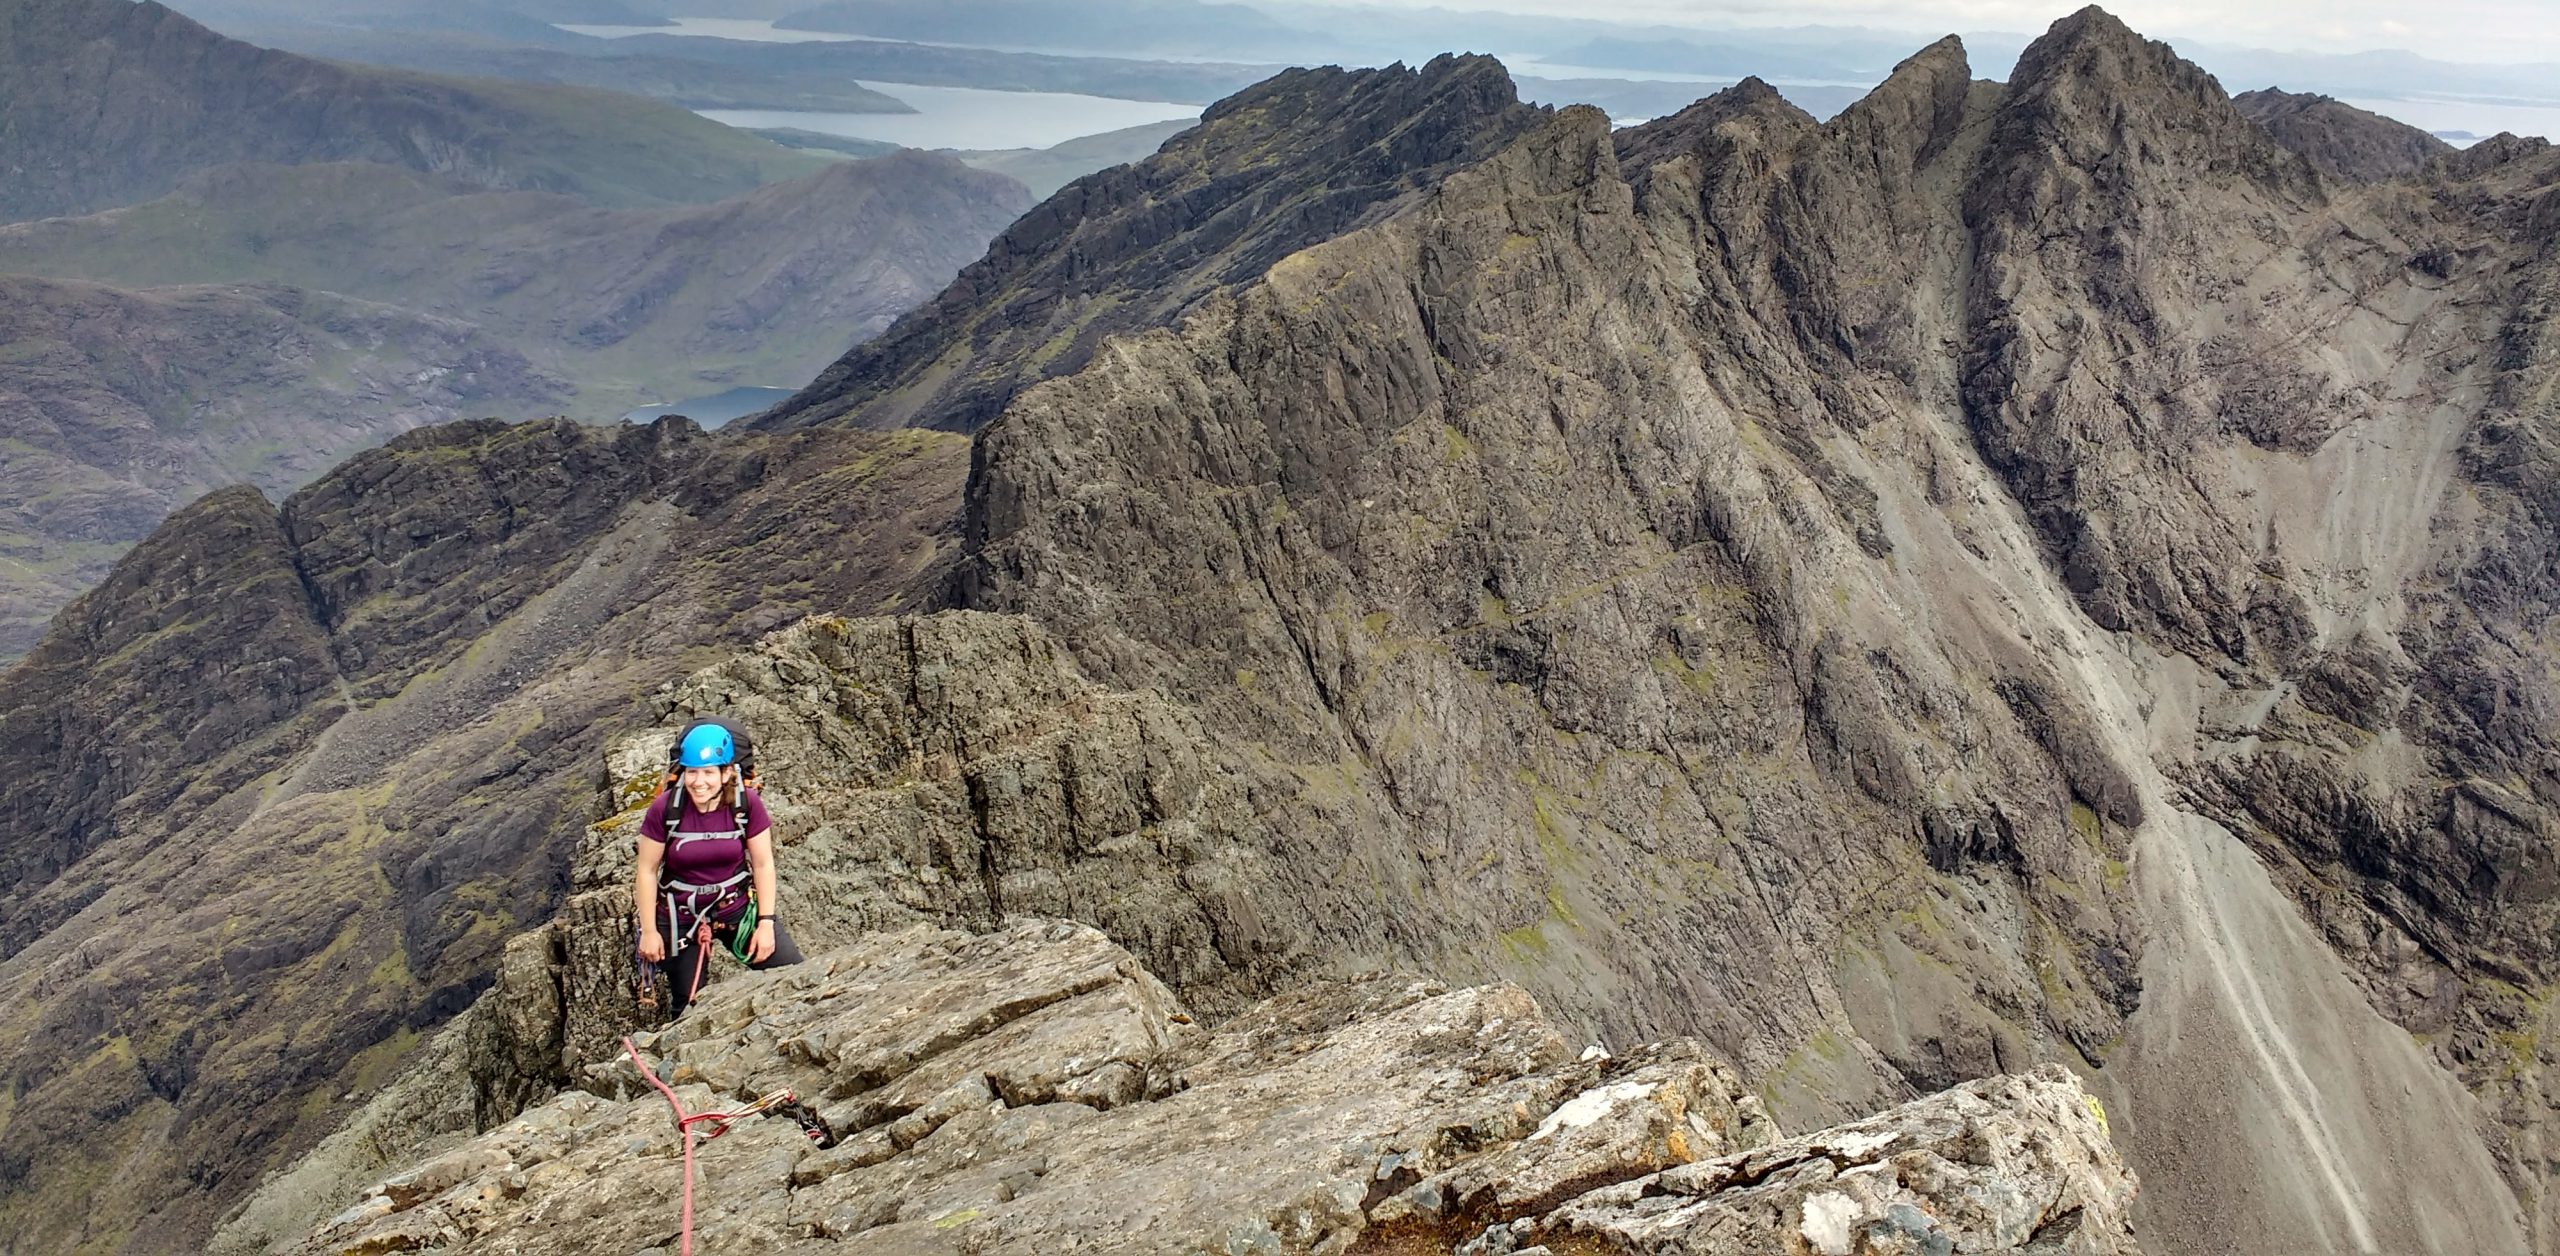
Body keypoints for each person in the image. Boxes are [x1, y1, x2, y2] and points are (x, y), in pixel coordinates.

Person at [634, 722, 802, 1019]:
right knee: (688, 1007)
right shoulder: (666, 809)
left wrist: (765, 924)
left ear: (726, 774)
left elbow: (763, 864)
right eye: (692, 772)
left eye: (709, 772)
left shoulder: (745, 804)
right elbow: (647, 870)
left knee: (795, 974)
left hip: (735, 907)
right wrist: (649, 932)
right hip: (680, 915)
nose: (699, 782)